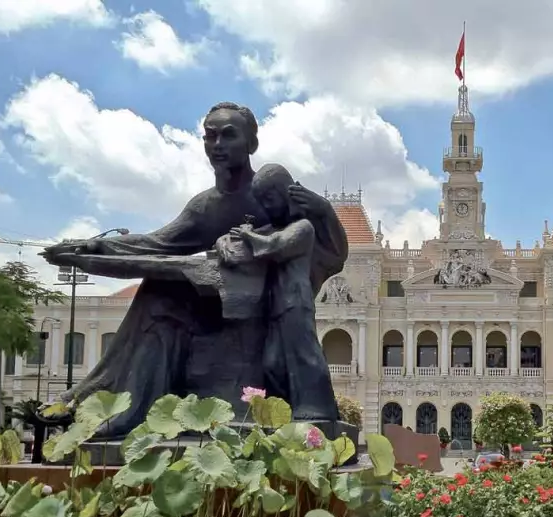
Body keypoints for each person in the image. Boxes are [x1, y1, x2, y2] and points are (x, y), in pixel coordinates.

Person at [41, 102, 347, 436]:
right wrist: (99, 247)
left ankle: (89, 400)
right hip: (215, 302)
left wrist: (321, 212)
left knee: (279, 357)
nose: (217, 145)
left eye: (228, 135)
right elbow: (158, 243)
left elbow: (327, 248)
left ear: (251, 144)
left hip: (273, 307)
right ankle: (120, 406)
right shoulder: (206, 206)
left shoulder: (271, 190)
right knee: (158, 292)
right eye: (210, 136)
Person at [216, 164, 340, 422]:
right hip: (276, 305)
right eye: (262, 202)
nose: (266, 208)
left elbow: (274, 245)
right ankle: (285, 407)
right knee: (272, 362)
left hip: (296, 302)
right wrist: (223, 242)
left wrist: (248, 234)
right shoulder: (275, 227)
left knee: (304, 355)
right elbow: (235, 237)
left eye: (269, 199)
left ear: (285, 195)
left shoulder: (303, 228)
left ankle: (317, 408)